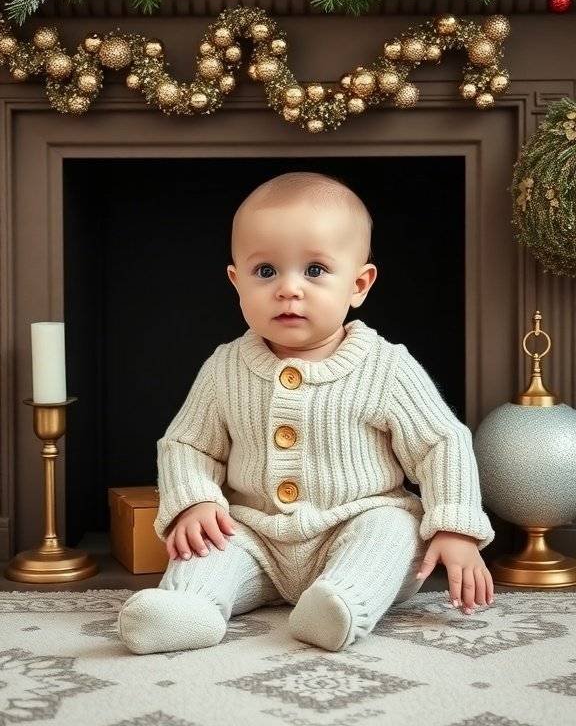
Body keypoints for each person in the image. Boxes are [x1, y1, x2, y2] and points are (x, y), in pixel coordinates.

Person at [117, 171, 495, 655]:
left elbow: (441, 443)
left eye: (315, 270)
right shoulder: (225, 368)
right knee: (209, 546)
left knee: (394, 531)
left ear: (358, 284)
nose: (288, 289)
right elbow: (187, 444)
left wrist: (455, 527)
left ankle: (341, 602)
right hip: (256, 536)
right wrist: (193, 502)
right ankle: (189, 607)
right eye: (265, 271)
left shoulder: (386, 367)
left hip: (355, 525)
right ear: (236, 282)